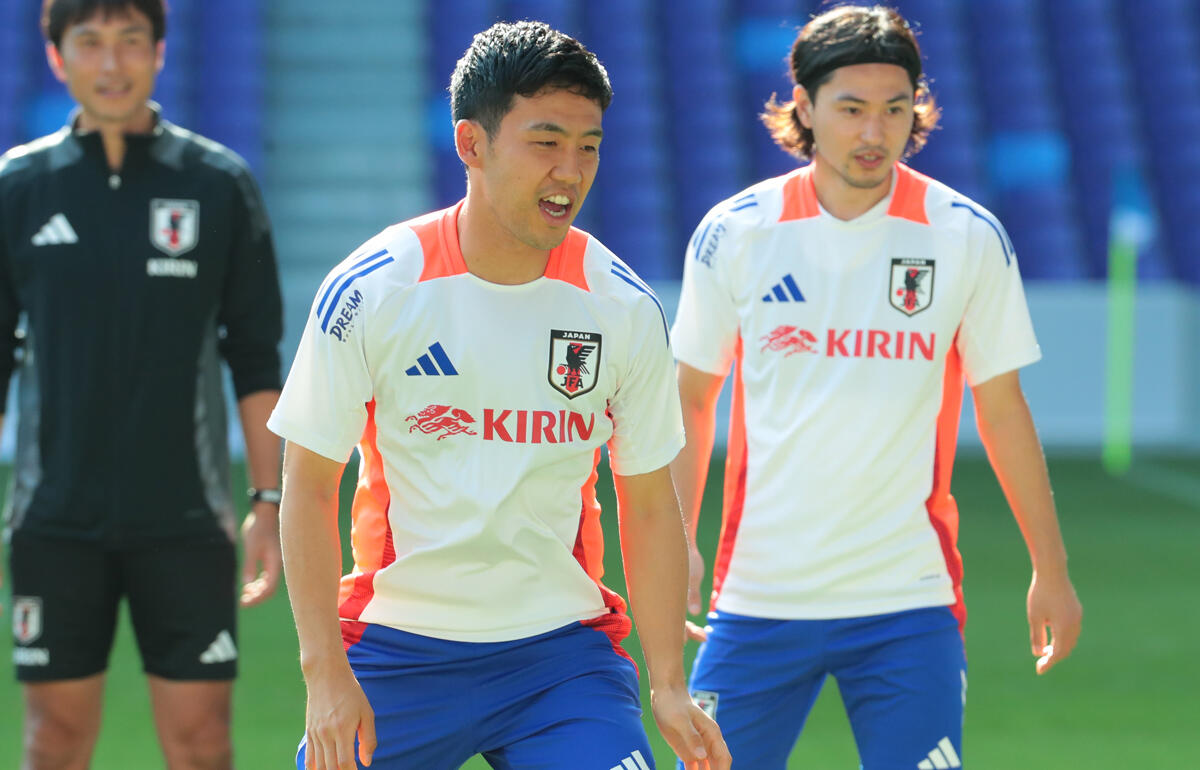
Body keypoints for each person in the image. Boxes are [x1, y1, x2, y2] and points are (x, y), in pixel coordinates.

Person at [269, 20, 729, 770]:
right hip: (397, 651)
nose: (570, 171)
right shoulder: (374, 290)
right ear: (471, 144)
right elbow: (310, 486)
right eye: (546, 142)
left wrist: (670, 684)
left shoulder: (622, 307)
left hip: (562, 658)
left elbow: (648, 503)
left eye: (589, 147)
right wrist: (325, 678)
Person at [670, 6, 1083, 769]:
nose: (875, 131)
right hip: (758, 597)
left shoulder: (964, 236)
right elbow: (691, 400)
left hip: (908, 603)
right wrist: (678, 543)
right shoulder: (737, 233)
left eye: (895, 108)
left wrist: (1050, 570)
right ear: (804, 106)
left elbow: (1002, 410)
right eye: (852, 108)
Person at [0, 1, 285, 767]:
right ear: (57, 57)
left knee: (203, 744)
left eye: (130, 41)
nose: (111, 63)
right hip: (54, 522)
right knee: (52, 742)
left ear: (159, 52)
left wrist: (267, 502)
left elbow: (255, 357)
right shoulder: (18, 188)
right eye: (89, 42)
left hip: (185, 520)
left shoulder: (218, 183)